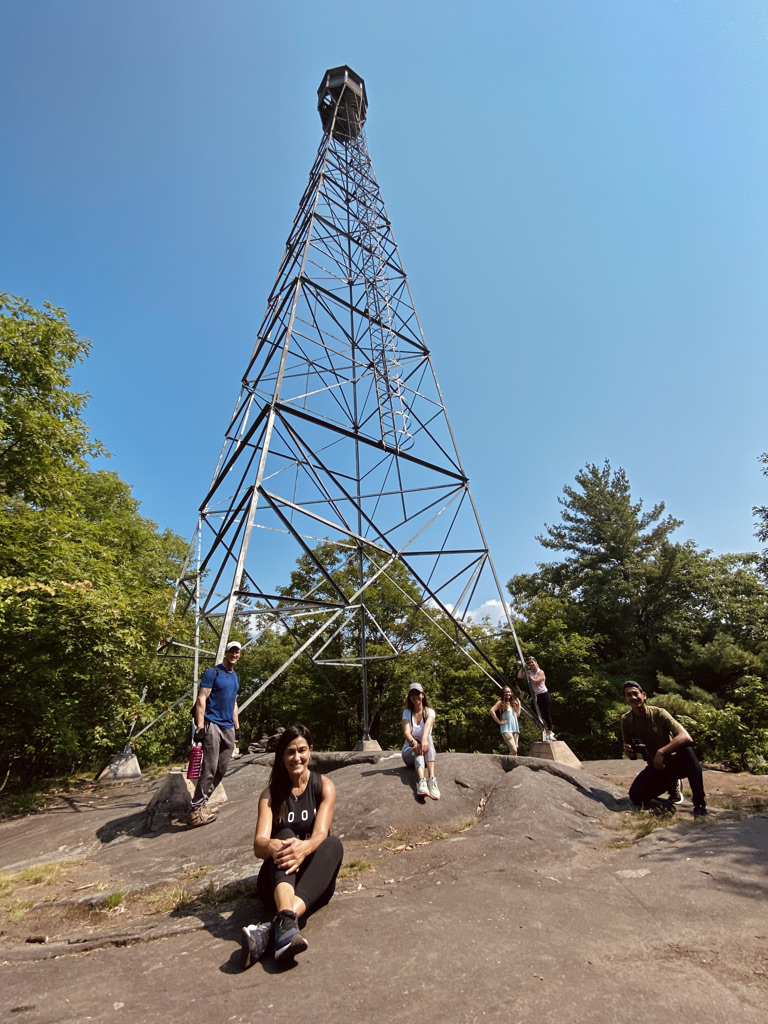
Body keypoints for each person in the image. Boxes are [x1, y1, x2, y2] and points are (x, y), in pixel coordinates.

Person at [241, 724, 343, 968]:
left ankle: (272, 929)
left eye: (302, 750)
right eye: (290, 752)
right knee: (285, 835)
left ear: (310, 751)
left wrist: (303, 848)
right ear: (282, 756)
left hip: (312, 883)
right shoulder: (270, 795)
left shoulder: (324, 786)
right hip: (277, 883)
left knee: (333, 844)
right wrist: (273, 846)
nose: (297, 757)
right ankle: (286, 925)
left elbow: (320, 834)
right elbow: (258, 845)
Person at [621, 681, 707, 818]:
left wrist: (661, 752)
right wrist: (628, 751)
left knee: (688, 751)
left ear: (644, 695)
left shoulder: (659, 713)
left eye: (635, 694)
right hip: (655, 767)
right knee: (636, 796)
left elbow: (686, 737)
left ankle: (699, 804)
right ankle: (671, 785)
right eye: (629, 695)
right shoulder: (626, 719)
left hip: (673, 762)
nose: (633, 697)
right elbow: (630, 751)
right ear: (626, 699)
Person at [187, 640, 242, 828]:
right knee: (209, 767)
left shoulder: (235, 677)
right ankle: (195, 811)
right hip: (213, 724)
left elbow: (234, 703)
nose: (234, 655)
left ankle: (203, 803)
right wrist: (200, 727)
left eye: (237, 652)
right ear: (226, 653)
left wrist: (237, 727)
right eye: (231, 651)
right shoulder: (213, 672)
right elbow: (201, 698)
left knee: (222, 768)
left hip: (228, 726)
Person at [401, 683, 440, 800]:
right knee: (417, 749)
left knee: (428, 738)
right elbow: (406, 732)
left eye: (417, 693)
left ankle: (432, 780)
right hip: (410, 752)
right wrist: (414, 743)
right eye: (412, 694)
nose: (415, 696)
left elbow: (428, 726)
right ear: (409, 697)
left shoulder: (429, 712)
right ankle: (422, 782)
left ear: (422, 695)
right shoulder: (407, 712)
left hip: (426, 750)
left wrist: (423, 739)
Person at [518, 656, 555, 741]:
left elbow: (536, 682)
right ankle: (545, 729)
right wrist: (523, 668)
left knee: (546, 713)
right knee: (534, 712)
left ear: (536, 662)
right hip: (536, 695)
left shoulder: (540, 672)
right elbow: (519, 676)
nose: (531, 664)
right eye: (529, 663)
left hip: (544, 694)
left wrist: (529, 676)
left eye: (532, 662)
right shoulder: (530, 672)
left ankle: (550, 732)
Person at [490, 685, 521, 754]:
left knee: (515, 752)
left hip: (514, 728)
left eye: (509, 692)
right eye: (506, 692)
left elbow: (517, 715)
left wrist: (519, 705)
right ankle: (507, 760)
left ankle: (511, 761)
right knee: (514, 750)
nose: (508, 694)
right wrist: (499, 722)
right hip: (506, 728)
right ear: (503, 693)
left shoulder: (512, 703)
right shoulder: (501, 702)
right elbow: (492, 711)